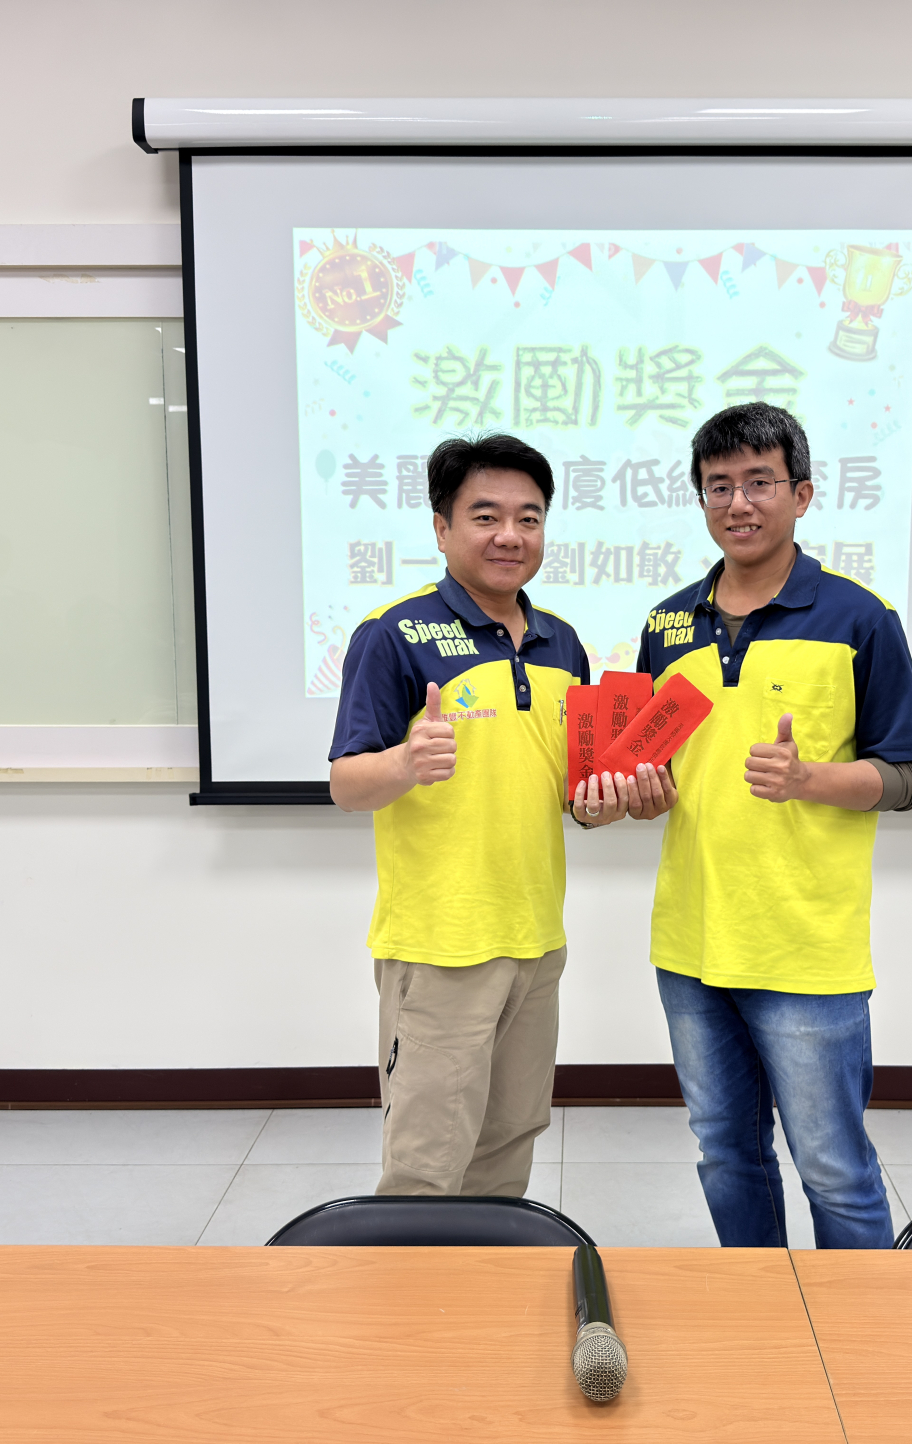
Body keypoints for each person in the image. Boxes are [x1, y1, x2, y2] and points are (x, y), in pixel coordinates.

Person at [328, 432, 667, 1197]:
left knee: (509, 1141)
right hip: (441, 945)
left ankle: (488, 1275)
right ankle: (416, 1282)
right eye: (485, 516)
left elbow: (570, 792)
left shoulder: (562, 644)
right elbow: (347, 784)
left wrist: (607, 804)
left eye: (529, 517)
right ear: (442, 526)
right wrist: (404, 763)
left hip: (536, 938)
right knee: (426, 1162)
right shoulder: (394, 634)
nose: (509, 535)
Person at [634, 402, 912, 1248]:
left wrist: (812, 779)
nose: (738, 503)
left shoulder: (859, 619)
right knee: (726, 1154)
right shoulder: (667, 624)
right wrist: (640, 795)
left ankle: (857, 1320)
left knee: (833, 1167)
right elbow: (655, 768)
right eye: (718, 486)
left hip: (806, 946)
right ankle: (760, 1308)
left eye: (759, 482)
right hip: (691, 942)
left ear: (801, 494)